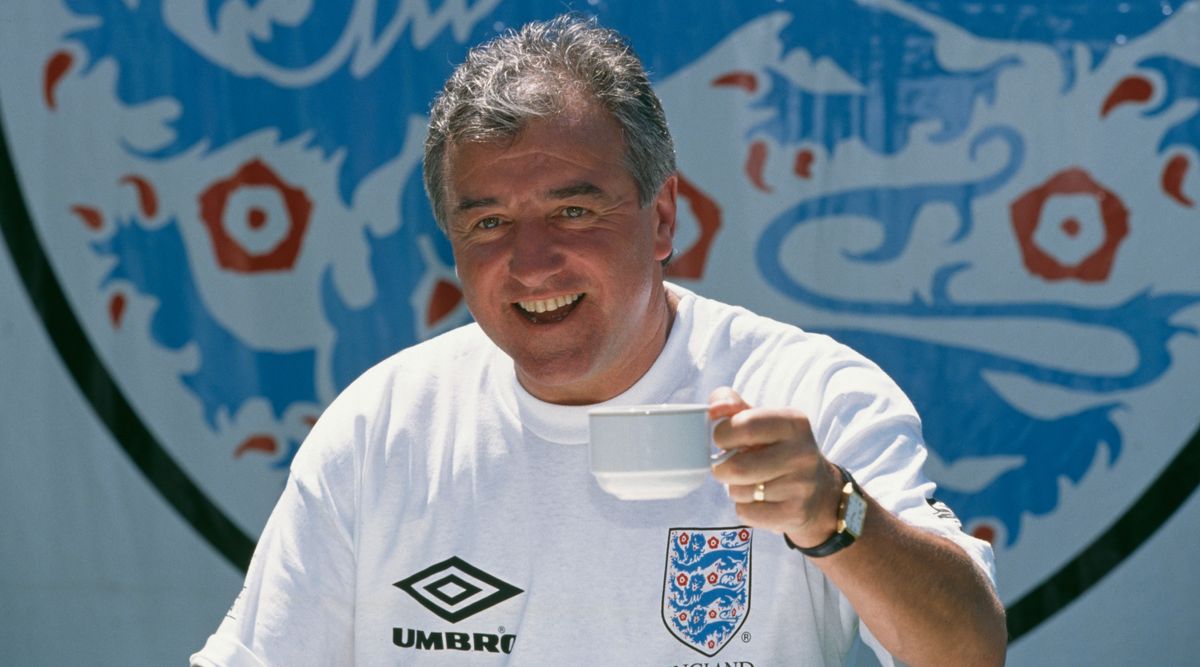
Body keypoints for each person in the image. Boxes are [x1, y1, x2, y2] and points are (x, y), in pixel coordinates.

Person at [191, 14, 1006, 666]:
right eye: (488, 222)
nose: (532, 260)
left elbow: (969, 649)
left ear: (662, 218)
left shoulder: (806, 392)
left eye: (574, 211)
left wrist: (835, 514)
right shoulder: (382, 427)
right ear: (450, 245)